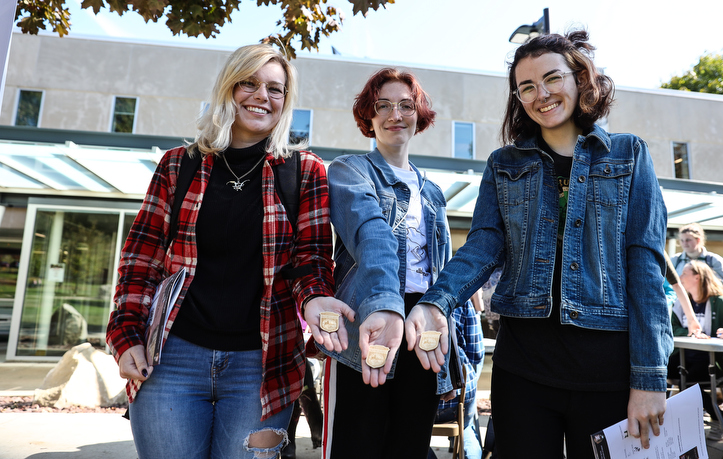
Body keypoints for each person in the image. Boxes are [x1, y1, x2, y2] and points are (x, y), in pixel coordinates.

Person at [413, 30, 672, 458]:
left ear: (579, 80)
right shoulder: (504, 164)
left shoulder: (629, 155)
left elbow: (644, 266)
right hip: (524, 372)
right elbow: (482, 246)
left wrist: (649, 378)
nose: (542, 94)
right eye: (527, 87)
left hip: (607, 372)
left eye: (552, 78)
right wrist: (435, 302)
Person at [106, 43, 354, 459]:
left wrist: (315, 299)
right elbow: (140, 260)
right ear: (228, 88)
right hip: (172, 358)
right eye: (249, 84)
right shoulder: (177, 165)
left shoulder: (304, 170)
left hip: (262, 365)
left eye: (275, 89)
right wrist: (125, 334)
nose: (262, 96)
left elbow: (310, 260)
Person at [319, 68, 453, 459]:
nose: (396, 114)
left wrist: (449, 334)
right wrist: (385, 303)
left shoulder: (434, 192)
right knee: (357, 443)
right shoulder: (349, 171)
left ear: (419, 114)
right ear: (369, 116)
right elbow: (371, 235)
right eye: (384, 105)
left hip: (424, 327)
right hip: (369, 320)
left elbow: (441, 269)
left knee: (411, 444)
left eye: (406, 105)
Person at [667, 261, 723, 441]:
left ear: (698, 277)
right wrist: (690, 331)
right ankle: (665, 426)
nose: (680, 278)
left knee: (689, 382)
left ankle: (718, 420)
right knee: (661, 374)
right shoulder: (680, 304)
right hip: (684, 357)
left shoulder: (722, 303)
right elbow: (671, 328)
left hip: (714, 361)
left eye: (684, 274)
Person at [427, 299, 485, 459]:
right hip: (458, 401)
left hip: (419, 398)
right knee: (466, 428)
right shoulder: (462, 300)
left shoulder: (409, 294)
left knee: (407, 432)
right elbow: (477, 353)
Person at [671, 223, 723, 296]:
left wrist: (702, 298)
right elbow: (667, 287)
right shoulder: (675, 260)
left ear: (698, 240)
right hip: (679, 306)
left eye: (688, 240)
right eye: (682, 240)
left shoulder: (714, 260)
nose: (684, 243)